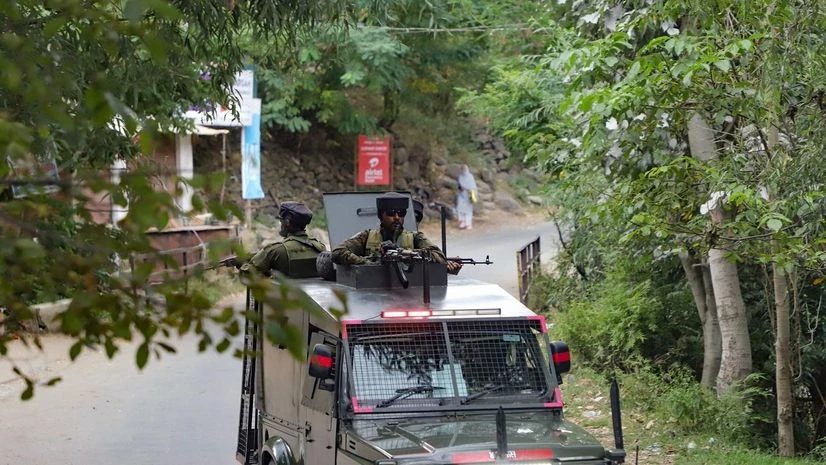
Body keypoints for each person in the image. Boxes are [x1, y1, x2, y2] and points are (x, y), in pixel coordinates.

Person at [331, 192, 462, 274]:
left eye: (401, 213)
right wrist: (368, 263)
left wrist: (405, 254)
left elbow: (438, 255)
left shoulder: (415, 237)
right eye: (391, 213)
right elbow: (338, 252)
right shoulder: (367, 236)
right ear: (380, 215)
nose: (397, 217)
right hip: (373, 288)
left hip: (408, 291)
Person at [240, 201, 326, 278]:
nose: (281, 226)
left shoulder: (275, 251)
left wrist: (243, 264)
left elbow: (246, 274)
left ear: (287, 222)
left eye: (281, 221)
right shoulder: (320, 248)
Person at [456, 164, 477, 230]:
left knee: (468, 209)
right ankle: (463, 222)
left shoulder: (470, 176)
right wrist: (460, 188)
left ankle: (468, 223)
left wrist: (473, 193)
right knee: (460, 208)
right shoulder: (460, 177)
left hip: (469, 194)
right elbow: (459, 185)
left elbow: (473, 186)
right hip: (461, 194)